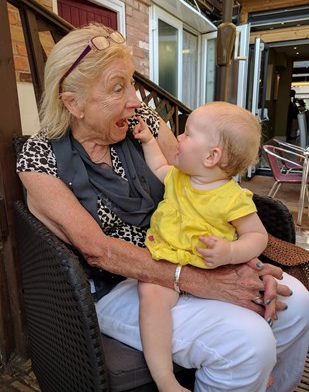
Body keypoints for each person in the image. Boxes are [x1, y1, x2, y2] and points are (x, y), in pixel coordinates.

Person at [16, 22, 309, 392]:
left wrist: (238, 259)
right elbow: (98, 249)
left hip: (187, 254)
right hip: (120, 284)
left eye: (132, 83)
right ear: (73, 103)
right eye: (117, 88)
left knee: (296, 302)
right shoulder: (40, 155)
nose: (136, 100)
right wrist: (204, 281)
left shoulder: (143, 122)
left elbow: (204, 184)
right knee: (246, 341)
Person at [133, 102, 272, 391]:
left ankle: (260, 369)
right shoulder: (178, 178)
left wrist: (230, 252)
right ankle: (165, 379)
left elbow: (258, 237)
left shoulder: (233, 198)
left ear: (211, 156)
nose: (179, 138)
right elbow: (159, 165)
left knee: (254, 307)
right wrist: (147, 140)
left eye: (187, 133)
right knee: (151, 299)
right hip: (167, 262)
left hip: (214, 270)